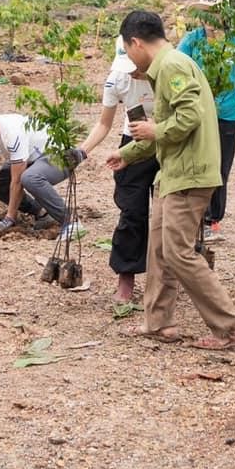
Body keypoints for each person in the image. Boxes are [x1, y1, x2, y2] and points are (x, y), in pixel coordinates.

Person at [107, 9, 235, 351]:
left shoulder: (171, 65)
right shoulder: (170, 65)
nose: (130, 57)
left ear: (136, 42)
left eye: (128, 50)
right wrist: (126, 155)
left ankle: (231, 327)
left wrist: (155, 129)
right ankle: (158, 323)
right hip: (173, 173)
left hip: (189, 174)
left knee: (178, 253)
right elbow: (168, 131)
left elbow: (189, 116)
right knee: (158, 249)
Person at [82, 36, 158, 301]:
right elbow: (104, 124)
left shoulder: (165, 74)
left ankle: (169, 277)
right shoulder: (116, 79)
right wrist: (82, 151)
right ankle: (126, 277)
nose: (135, 72)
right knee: (132, 212)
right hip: (132, 146)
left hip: (166, 142)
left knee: (169, 215)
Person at [178, 0, 235, 241]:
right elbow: (176, 70)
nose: (208, 19)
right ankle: (194, 217)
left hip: (227, 114)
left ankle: (213, 220)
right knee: (197, 165)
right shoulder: (192, 40)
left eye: (214, 13)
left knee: (221, 168)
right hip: (197, 113)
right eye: (204, 13)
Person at [0, 105, 82, 233]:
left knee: (30, 178)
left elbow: (17, 181)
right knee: (2, 182)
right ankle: (43, 213)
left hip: (60, 157)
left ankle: (71, 221)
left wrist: (9, 218)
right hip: (32, 158)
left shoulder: (13, 133)